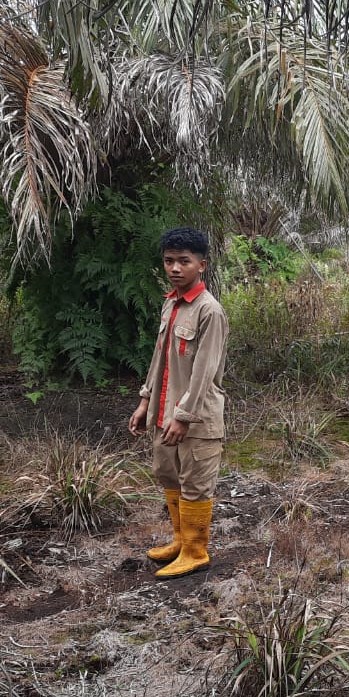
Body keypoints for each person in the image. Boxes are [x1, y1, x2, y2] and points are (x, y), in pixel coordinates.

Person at [128, 226, 228, 579]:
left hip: (197, 418)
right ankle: (179, 540)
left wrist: (184, 416)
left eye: (184, 261)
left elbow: (204, 372)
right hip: (163, 409)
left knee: (195, 480)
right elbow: (161, 358)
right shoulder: (170, 303)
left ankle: (195, 550)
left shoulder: (209, 311)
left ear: (201, 265)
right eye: (169, 261)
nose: (175, 268)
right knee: (167, 473)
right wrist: (145, 402)